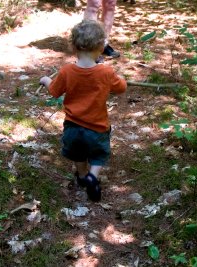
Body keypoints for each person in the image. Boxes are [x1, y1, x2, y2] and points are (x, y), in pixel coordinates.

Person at [39, 20, 127, 202]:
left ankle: (81, 175)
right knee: (98, 154)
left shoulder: (67, 71)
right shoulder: (106, 73)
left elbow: (54, 91)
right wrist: (122, 79)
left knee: (77, 153)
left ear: (73, 47)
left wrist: (46, 80)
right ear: (101, 47)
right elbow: (120, 89)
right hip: (97, 128)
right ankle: (93, 177)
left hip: (73, 127)